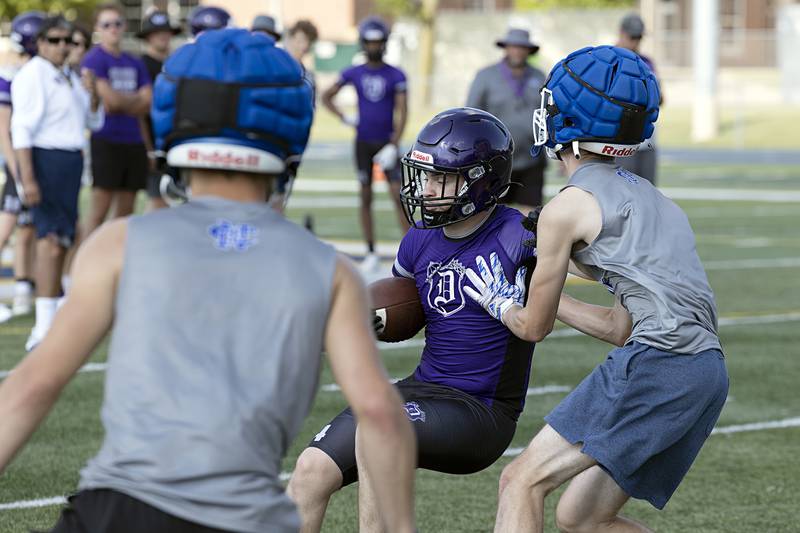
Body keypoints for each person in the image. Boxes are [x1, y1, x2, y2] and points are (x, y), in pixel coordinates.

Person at [0, 28, 416, 533]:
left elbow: (31, 385)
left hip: (114, 511)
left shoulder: (119, 243)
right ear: (292, 127)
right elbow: (380, 413)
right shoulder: (326, 269)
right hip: (244, 519)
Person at [463, 45, 728, 532]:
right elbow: (618, 327)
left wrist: (501, 301)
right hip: (705, 372)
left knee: (520, 482)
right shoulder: (658, 202)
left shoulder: (568, 207)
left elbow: (531, 327)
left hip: (661, 363)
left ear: (567, 122)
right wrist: (544, 291)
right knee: (582, 517)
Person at [288, 107, 537, 533]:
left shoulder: (521, 235)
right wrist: (359, 323)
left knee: (377, 433)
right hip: (422, 389)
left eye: (442, 178)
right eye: (425, 176)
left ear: (481, 179)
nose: (427, 189)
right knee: (310, 472)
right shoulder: (420, 237)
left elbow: (592, 262)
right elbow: (403, 306)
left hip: (481, 410)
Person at [11, 16, 103, 351]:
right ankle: (43, 327)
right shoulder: (35, 73)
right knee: (49, 240)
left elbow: (92, 120)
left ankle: (52, 314)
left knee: (63, 238)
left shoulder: (70, 76)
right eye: (55, 39)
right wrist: (28, 177)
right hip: (45, 159)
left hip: (69, 159)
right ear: (40, 42)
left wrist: (93, 97)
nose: (63, 46)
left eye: (69, 40)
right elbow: (22, 128)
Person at [322, 16, 409, 273]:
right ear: (363, 43)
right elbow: (327, 95)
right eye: (370, 42)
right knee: (365, 195)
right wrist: (343, 116)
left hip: (386, 141)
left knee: (399, 196)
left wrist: (394, 144)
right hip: (362, 142)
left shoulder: (396, 74)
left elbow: (403, 112)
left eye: (378, 42)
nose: (374, 47)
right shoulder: (354, 72)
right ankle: (370, 251)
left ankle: (411, 248)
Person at [80, 3, 152, 237]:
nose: (113, 29)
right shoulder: (94, 59)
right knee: (98, 211)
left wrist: (123, 102)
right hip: (105, 140)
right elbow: (109, 102)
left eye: (117, 23)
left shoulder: (135, 62)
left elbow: (146, 102)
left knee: (126, 214)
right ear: (98, 28)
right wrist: (132, 100)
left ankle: (116, 267)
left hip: (133, 141)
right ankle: (79, 268)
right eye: (106, 24)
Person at [466, 28, 547, 214]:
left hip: (531, 158)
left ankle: (527, 244)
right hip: (495, 158)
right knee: (490, 213)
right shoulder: (485, 76)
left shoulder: (539, 76)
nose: (517, 51)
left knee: (531, 215)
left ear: (529, 50)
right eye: (513, 47)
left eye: (522, 47)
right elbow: (472, 114)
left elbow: (547, 112)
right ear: (506, 48)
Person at [0, 11, 46, 318]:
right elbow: (4, 129)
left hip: (34, 158)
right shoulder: (11, 77)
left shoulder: (40, 73)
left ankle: (23, 288)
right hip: (18, 160)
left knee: (28, 228)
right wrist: (17, 170)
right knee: (7, 225)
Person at [268, 19, 319, 214]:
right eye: (298, 40)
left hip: (288, 144)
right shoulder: (270, 67)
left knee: (279, 199)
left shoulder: (307, 77)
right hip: (266, 138)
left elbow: (308, 115)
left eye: (307, 42)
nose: (302, 46)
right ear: (289, 38)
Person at [136, 9, 181, 211]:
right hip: (154, 143)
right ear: (147, 36)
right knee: (157, 202)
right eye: (156, 32)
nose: (163, 35)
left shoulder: (176, 65)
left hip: (176, 141)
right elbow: (141, 111)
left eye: (166, 31)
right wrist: (148, 148)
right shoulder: (141, 65)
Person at [615, 13, 662, 184]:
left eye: (639, 37)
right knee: (622, 194)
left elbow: (660, 98)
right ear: (621, 32)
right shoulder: (609, 60)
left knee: (648, 191)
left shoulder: (647, 62)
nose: (636, 41)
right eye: (632, 36)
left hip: (646, 139)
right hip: (618, 141)